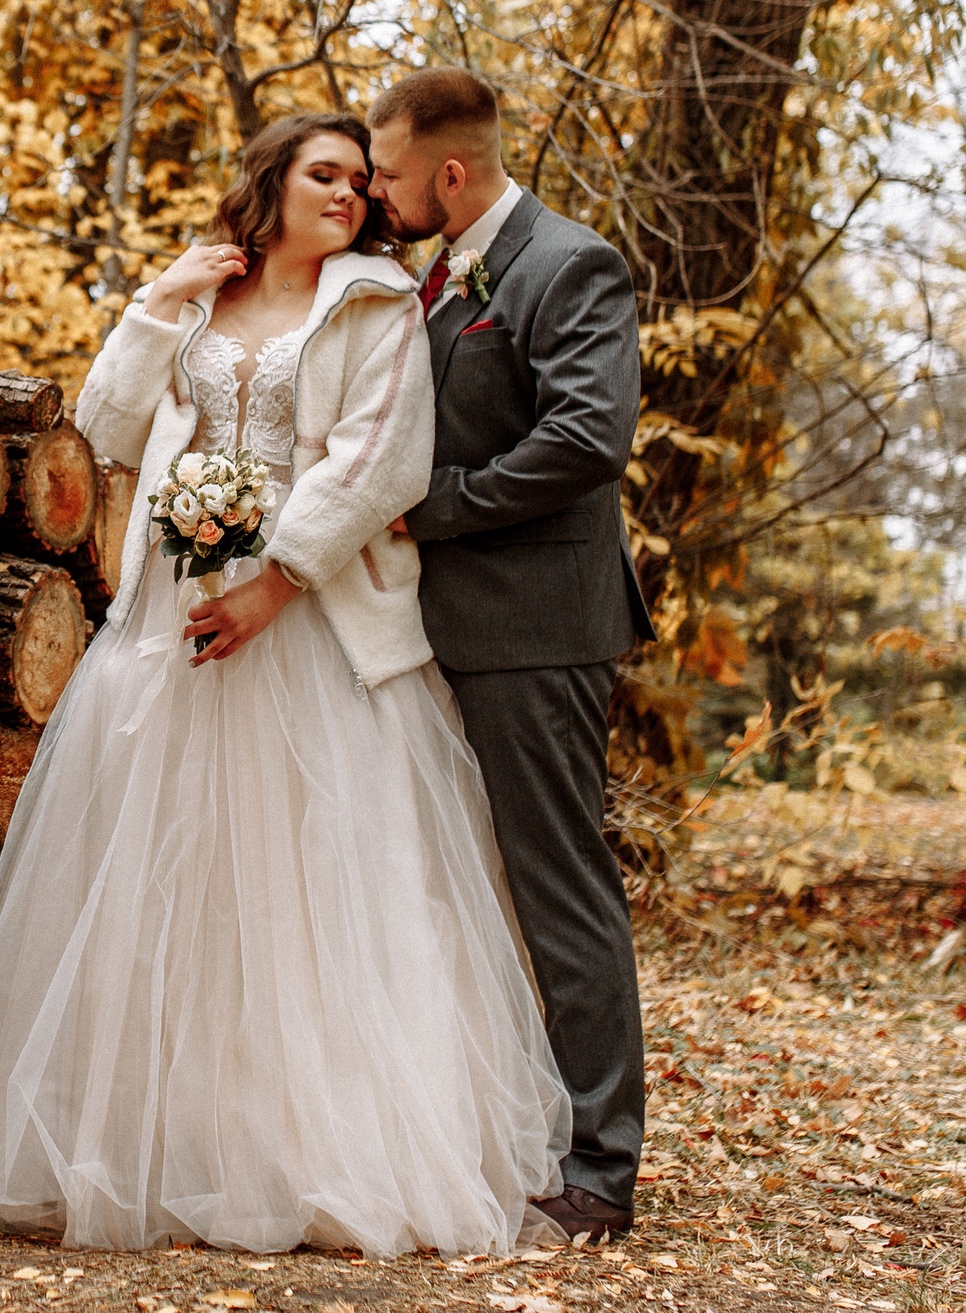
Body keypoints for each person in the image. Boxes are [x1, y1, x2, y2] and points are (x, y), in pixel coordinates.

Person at [0, 111, 571, 1256]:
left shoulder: (375, 304)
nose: (347, 194)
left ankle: (311, 1150)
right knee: (170, 863)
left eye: (358, 180)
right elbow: (107, 427)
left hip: (306, 611)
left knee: (307, 869)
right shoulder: (200, 293)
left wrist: (276, 582)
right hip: (173, 597)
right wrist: (157, 303)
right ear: (272, 181)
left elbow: (380, 461)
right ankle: (171, 1141)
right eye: (323, 173)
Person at [361, 67, 656, 1241]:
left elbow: (587, 436)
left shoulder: (566, 265)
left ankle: (599, 1172)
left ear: (448, 171)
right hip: (441, 629)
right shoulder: (433, 273)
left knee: (556, 889)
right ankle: (497, 1131)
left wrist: (432, 506)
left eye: (387, 174)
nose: (375, 194)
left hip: (536, 630)